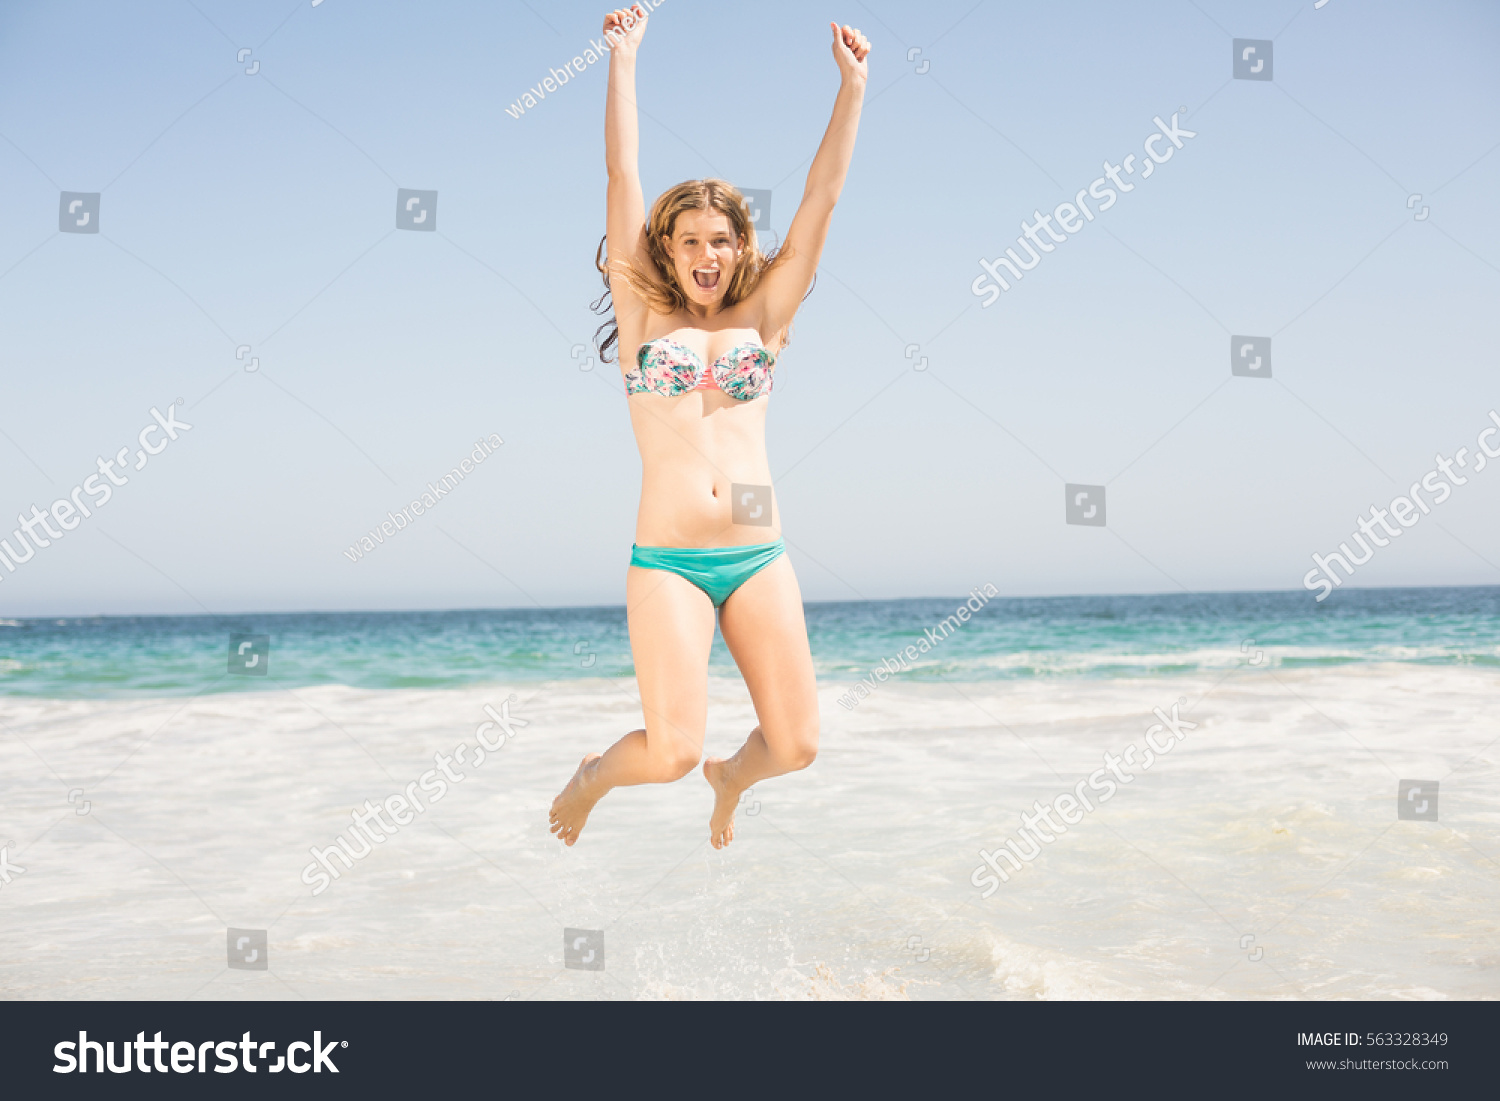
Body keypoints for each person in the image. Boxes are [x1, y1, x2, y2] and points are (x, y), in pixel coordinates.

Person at [549, 6, 871, 849]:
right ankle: (591, 775)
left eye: (720, 239)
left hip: (760, 550)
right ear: (666, 245)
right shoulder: (644, 315)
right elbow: (622, 174)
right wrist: (623, 58)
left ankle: (733, 777)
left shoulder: (767, 316)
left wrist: (853, 88)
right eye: (688, 238)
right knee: (667, 752)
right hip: (670, 561)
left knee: (797, 744)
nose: (705, 251)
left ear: (738, 248)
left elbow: (824, 196)